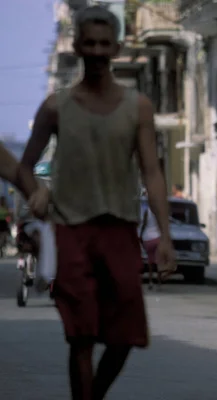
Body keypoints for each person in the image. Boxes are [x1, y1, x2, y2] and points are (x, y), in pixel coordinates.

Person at [17, 5, 175, 400]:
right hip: (70, 230)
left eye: (106, 43)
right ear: (77, 46)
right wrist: (34, 195)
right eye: (90, 43)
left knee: (126, 335)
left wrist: (165, 236)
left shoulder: (137, 107)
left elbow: (151, 172)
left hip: (120, 230)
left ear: (117, 48)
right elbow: (23, 167)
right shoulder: (56, 106)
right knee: (81, 335)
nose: (98, 51)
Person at [139, 203, 162, 290]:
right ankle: (159, 282)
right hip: (157, 238)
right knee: (159, 261)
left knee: (150, 262)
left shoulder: (147, 211)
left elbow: (144, 225)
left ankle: (150, 282)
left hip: (148, 238)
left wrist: (141, 235)